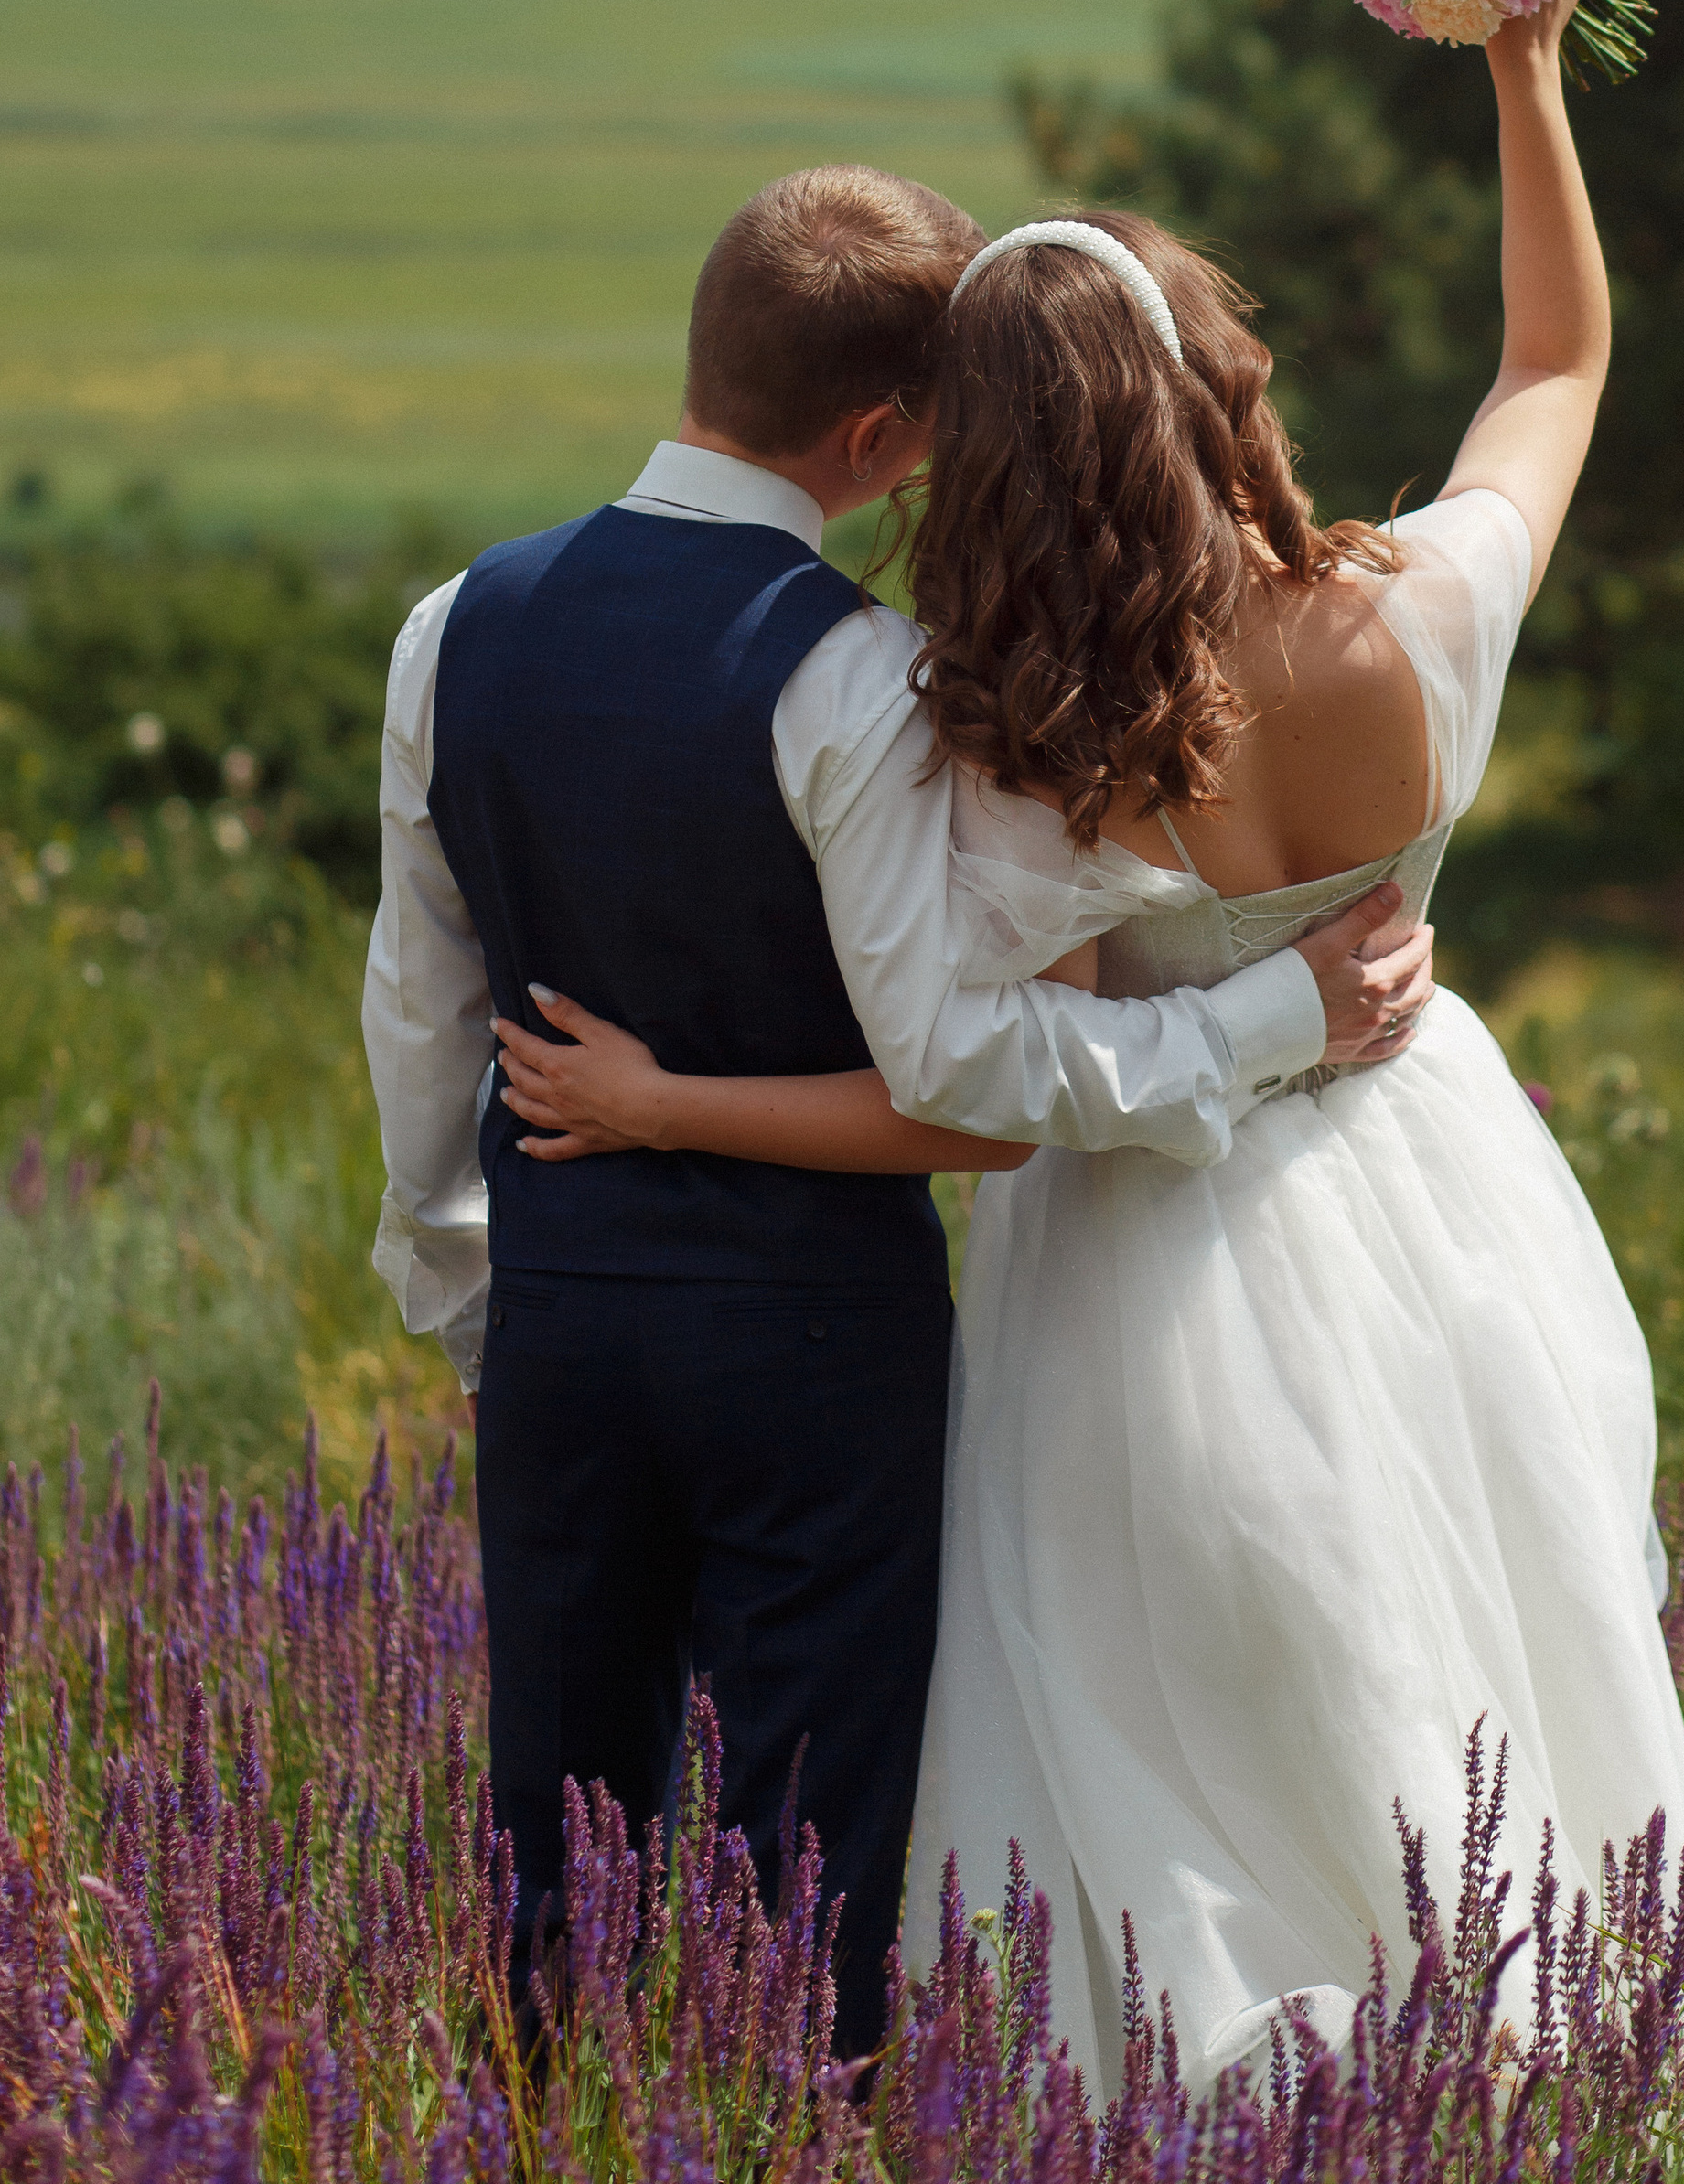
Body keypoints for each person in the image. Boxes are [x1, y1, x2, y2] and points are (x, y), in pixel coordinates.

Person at [505, 0, 1684, 2085]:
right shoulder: (1423, 618)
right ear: (1223, 387)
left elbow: (978, 1085)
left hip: (1145, 1268)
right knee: (1474, 1688)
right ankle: (1534, 2085)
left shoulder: (1021, 747)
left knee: (1169, 1775)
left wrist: (671, 1098)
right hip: (1443, 1210)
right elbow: (1553, 358)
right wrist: (1521, 66)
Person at [362, 162, 1436, 2066]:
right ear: (876, 438)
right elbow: (962, 1072)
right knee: (814, 1856)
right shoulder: (861, 679)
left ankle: (548, 2130)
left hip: (560, 1319)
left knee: (556, 1836)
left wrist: (481, 1302)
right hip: (811, 1348)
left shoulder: (456, 625)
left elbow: (417, 1016)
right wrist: (1281, 1013)